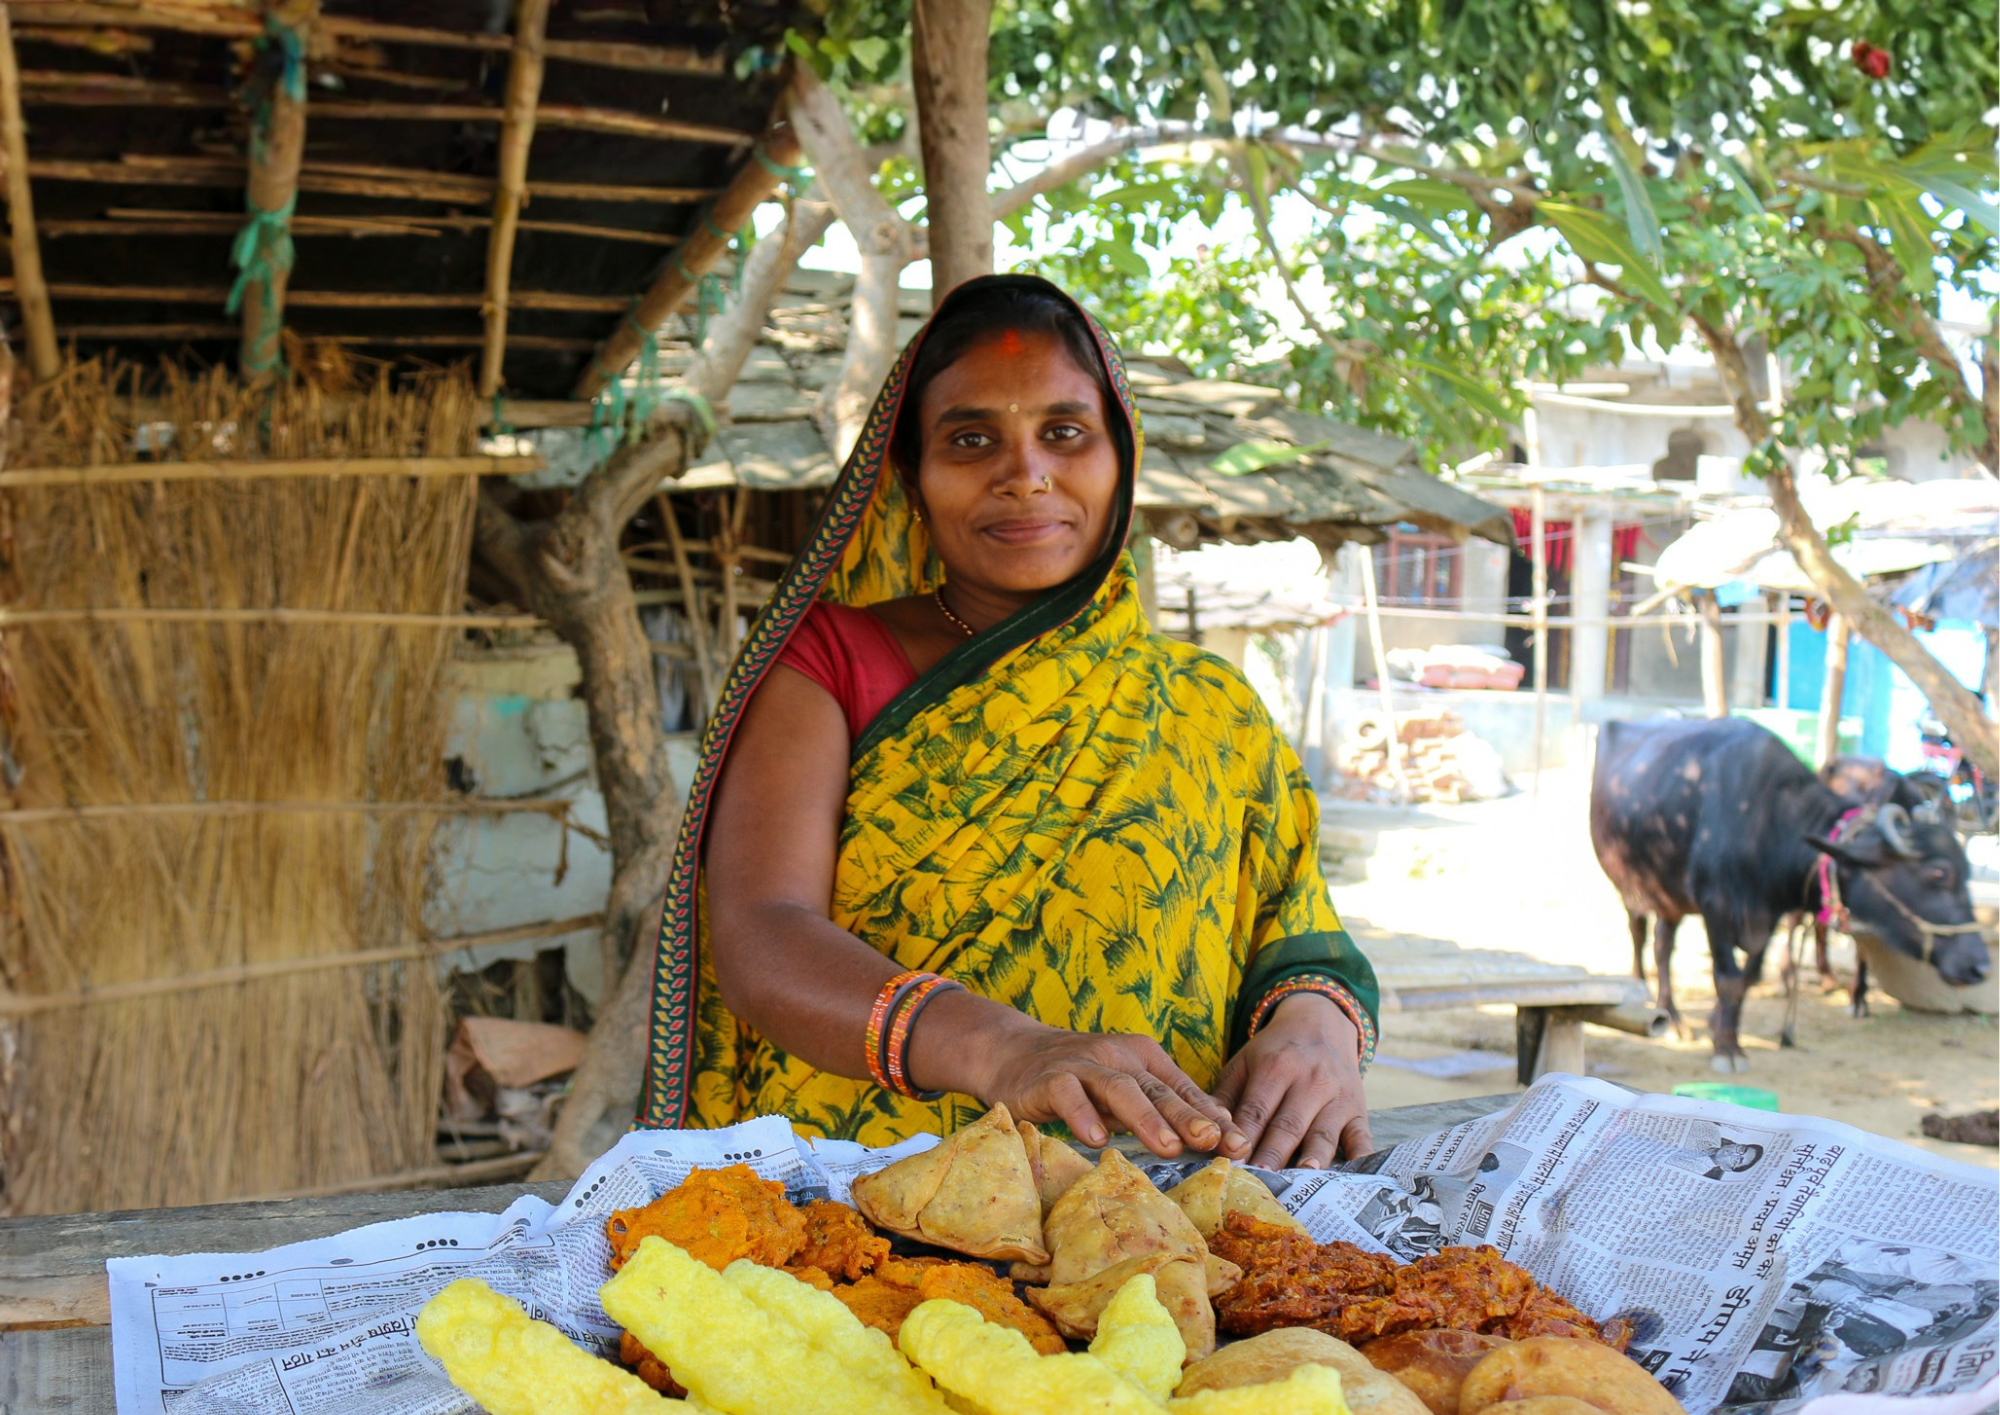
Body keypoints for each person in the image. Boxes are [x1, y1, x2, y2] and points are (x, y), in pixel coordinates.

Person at [636, 274, 1379, 1169]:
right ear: (912, 479)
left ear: (1121, 459)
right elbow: (764, 934)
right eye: (970, 439)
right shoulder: (830, 663)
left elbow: (1294, 931)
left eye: (1064, 432)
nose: (1025, 474)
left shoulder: (1212, 706)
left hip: (1160, 1201)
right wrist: (1003, 1049)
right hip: (870, 1197)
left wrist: (1316, 1029)